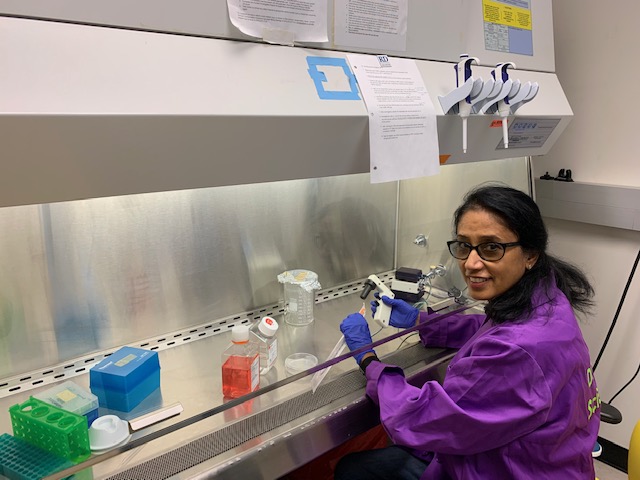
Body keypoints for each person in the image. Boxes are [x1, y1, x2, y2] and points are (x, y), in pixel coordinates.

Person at [334, 184, 600, 480]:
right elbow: (492, 328)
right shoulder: (546, 298)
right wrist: (421, 321)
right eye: (463, 246)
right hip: (545, 459)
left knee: (352, 470)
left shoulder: (519, 351)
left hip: (511, 470)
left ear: (530, 254)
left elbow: (421, 419)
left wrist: (368, 359)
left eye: (491, 247)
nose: (471, 263)